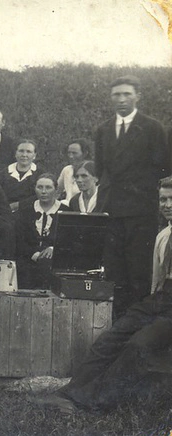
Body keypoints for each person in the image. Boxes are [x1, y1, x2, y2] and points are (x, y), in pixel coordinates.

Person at [34, 178, 172, 413]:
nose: (167, 204)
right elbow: (158, 281)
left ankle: (97, 402)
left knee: (138, 345)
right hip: (161, 298)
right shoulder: (163, 236)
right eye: (162, 199)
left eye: (171, 199)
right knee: (110, 337)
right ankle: (69, 393)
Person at [94, 76, 170, 314]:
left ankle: (135, 325)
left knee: (138, 272)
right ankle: (115, 324)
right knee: (114, 273)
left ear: (138, 96)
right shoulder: (103, 130)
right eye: (116, 94)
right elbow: (100, 169)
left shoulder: (152, 128)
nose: (122, 99)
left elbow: (164, 167)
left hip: (140, 212)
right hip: (112, 211)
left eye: (127, 94)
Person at [15, 173, 70, 289]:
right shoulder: (26, 209)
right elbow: (19, 239)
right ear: (35, 188)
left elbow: (69, 239)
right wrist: (34, 254)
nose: (43, 191)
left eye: (48, 187)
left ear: (56, 190)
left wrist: (53, 248)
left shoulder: (66, 212)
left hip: (55, 261)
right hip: (28, 258)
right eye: (40, 187)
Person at [0, 139, 44, 212]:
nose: (24, 155)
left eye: (29, 152)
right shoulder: (3, 174)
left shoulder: (40, 174)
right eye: (21, 151)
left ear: (34, 155)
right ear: (15, 153)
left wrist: (18, 205)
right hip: (6, 212)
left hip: (31, 213)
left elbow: (41, 195)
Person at [57, 138, 92, 206]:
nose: (71, 156)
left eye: (74, 153)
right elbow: (57, 190)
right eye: (69, 153)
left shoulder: (92, 170)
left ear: (85, 153)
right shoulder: (67, 170)